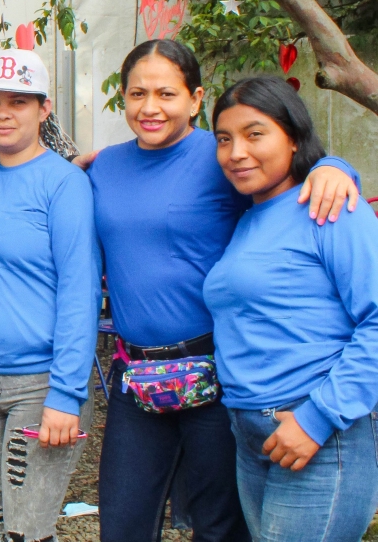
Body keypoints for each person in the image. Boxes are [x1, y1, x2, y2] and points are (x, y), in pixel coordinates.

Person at [85, 39, 359, 542]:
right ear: (121, 98)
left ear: (194, 98)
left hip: (215, 374)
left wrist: (335, 167)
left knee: (218, 525)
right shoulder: (104, 167)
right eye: (136, 93)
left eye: (166, 94)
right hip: (136, 373)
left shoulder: (221, 158)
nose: (150, 107)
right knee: (122, 522)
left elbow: (287, 172)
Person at [204, 77, 378, 541]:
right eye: (224, 139)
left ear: (294, 136)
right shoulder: (248, 218)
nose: (236, 151)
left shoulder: (333, 206)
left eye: (255, 133)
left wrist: (317, 419)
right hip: (251, 433)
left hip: (317, 433)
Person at [0, 49, 101, 542]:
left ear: (44, 108)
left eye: (19, 101)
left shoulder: (65, 184)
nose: (4, 112)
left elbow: (81, 293)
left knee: (26, 531)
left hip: (39, 385)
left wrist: (67, 394)